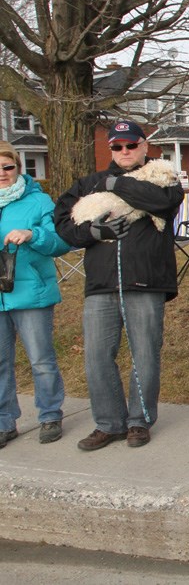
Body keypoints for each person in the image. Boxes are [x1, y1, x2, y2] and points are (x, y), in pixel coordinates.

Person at [54, 120, 184, 451]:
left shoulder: (164, 178)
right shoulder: (88, 183)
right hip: (101, 283)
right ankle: (109, 423)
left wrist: (115, 183)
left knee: (145, 354)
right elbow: (64, 225)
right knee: (97, 356)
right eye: (117, 146)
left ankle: (139, 421)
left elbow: (162, 203)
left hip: (147, 280)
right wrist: (93, 233)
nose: (124, 151)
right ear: (110, 148)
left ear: (144, 145)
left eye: (131, 145)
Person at [0, 141, 70, 447]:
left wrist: (33, 235)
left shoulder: (39, 202)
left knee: (41, 359)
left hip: (32, 294)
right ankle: (4, 422)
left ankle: (50, 414)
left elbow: (61, 242)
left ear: (18, 167)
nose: (2, 173)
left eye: (7, 167)